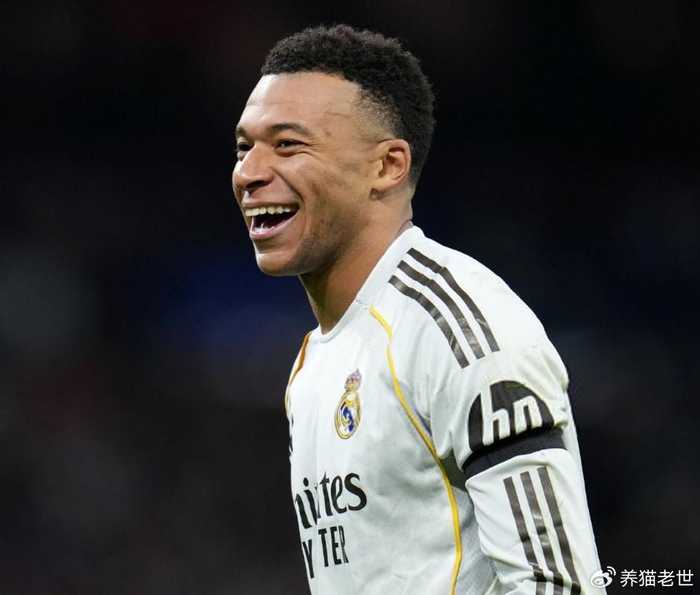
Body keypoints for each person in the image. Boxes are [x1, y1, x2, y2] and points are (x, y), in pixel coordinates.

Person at [232, 24, 603, 595]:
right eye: (244, 147)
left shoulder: (460, 330)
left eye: (287, 145)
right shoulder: (313, 364)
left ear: (387, 166)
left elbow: (558, 584)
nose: (250, 173)